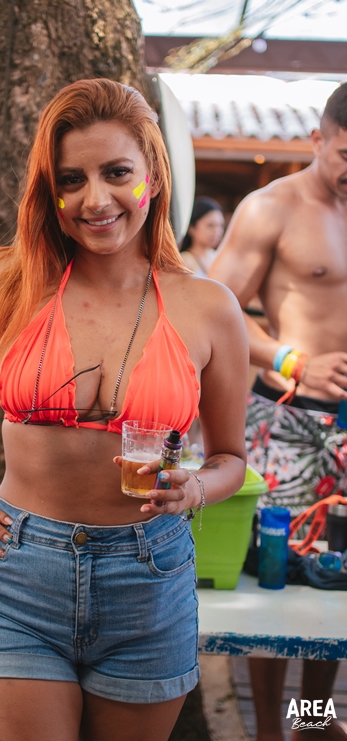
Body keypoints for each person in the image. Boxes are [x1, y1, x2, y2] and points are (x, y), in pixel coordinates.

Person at [0, 79, 248, 741]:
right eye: (71, 179)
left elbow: (231, 459)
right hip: (19, 576)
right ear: (50, 190)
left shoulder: (210, 308)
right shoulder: (3, 281)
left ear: (153, 177)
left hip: (149, 578)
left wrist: (195, 489)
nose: (94, 199)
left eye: (116, 172)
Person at [208, 83, 347, 741]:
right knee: (275, 579)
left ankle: (310, 722)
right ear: (319, 139)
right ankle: (268, 730)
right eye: (346, 155)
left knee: (336, 576)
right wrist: (291, 360)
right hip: (289, 421)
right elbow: (214, 308)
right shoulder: (271, 207)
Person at [179, 196, 224, 276]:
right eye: (210, 225)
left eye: (220, 225)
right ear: (192, 228)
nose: (217, 231)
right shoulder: (184, 261)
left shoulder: (219, 257)